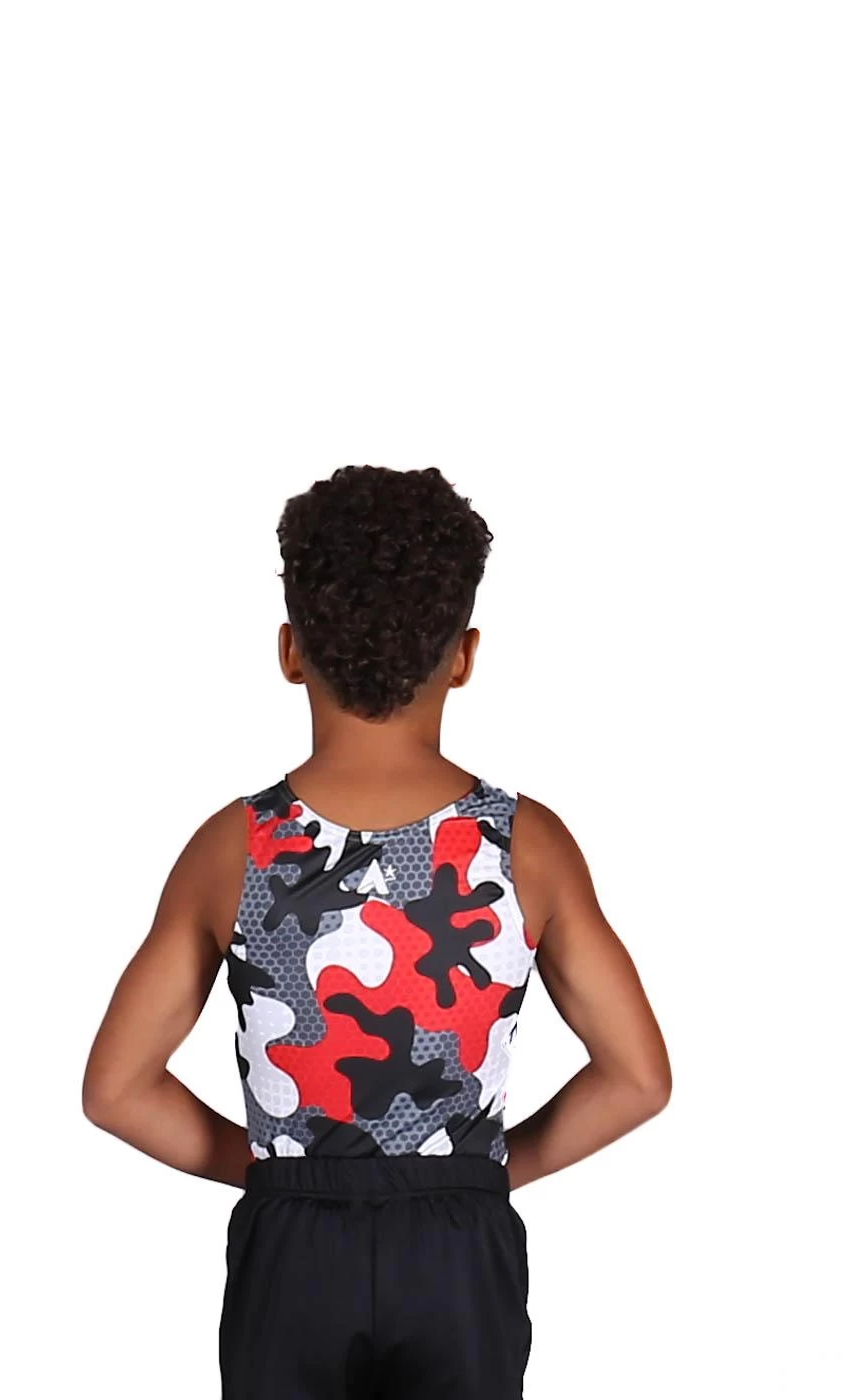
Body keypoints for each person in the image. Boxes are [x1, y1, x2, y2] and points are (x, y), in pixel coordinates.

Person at [82, 463, 672, 1398]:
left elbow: (117, 1090)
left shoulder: (235, 846)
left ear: (290, 650)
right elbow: (638, 1078)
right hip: (457, 1246)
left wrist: (280, 1172)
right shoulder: (525, 845)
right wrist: (478, 1174)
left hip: (294, 1246)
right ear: (464, 656)